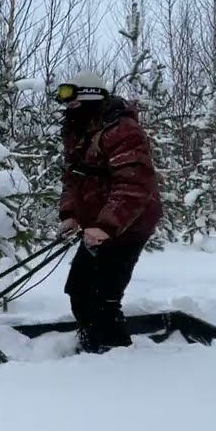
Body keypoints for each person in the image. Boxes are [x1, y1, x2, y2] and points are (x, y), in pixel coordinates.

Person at [55, 69, 162, 354]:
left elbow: (135, 184)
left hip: (128, 226)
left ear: (89, 99)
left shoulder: (122, 131)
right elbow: (73, 178)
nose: (68, 110)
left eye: (73, 103)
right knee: (78, 288)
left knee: (103, 298)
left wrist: (107, 226)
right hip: (97, 223)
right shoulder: (79, 131)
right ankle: (91, 345)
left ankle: (115, 357)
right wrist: (70, 215)